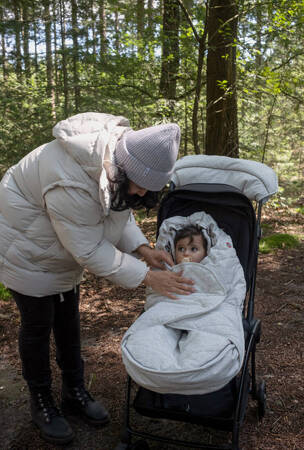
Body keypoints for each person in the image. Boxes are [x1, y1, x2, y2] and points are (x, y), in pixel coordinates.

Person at [0, 112, 195, 445]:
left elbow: (117, 211)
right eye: (139, 186)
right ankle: (42, 400)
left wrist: (143, 248)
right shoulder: (70, 179)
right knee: (38, 324)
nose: (139, 194)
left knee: (67, 319)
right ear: (126, 170)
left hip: (59, 241)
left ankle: (74, 392)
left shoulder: (116, 164)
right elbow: (89, 250)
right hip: (25, 245)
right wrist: (148, 277)